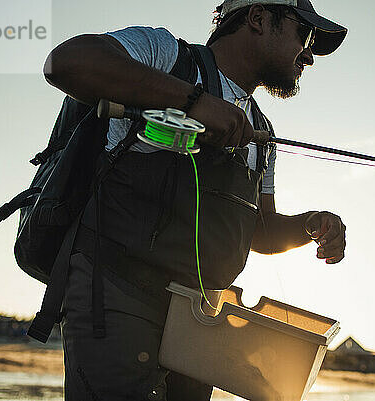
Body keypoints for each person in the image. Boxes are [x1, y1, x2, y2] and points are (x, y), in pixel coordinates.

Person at [43, 0, 347, 399]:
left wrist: (311, 225)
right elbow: (66, 62)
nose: (308, 54)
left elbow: (260, 232)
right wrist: (194, 102)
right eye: (303, 35)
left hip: (199, 328)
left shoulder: (262, 132)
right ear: (258, 18)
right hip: (115, 294)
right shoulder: (166, 56)